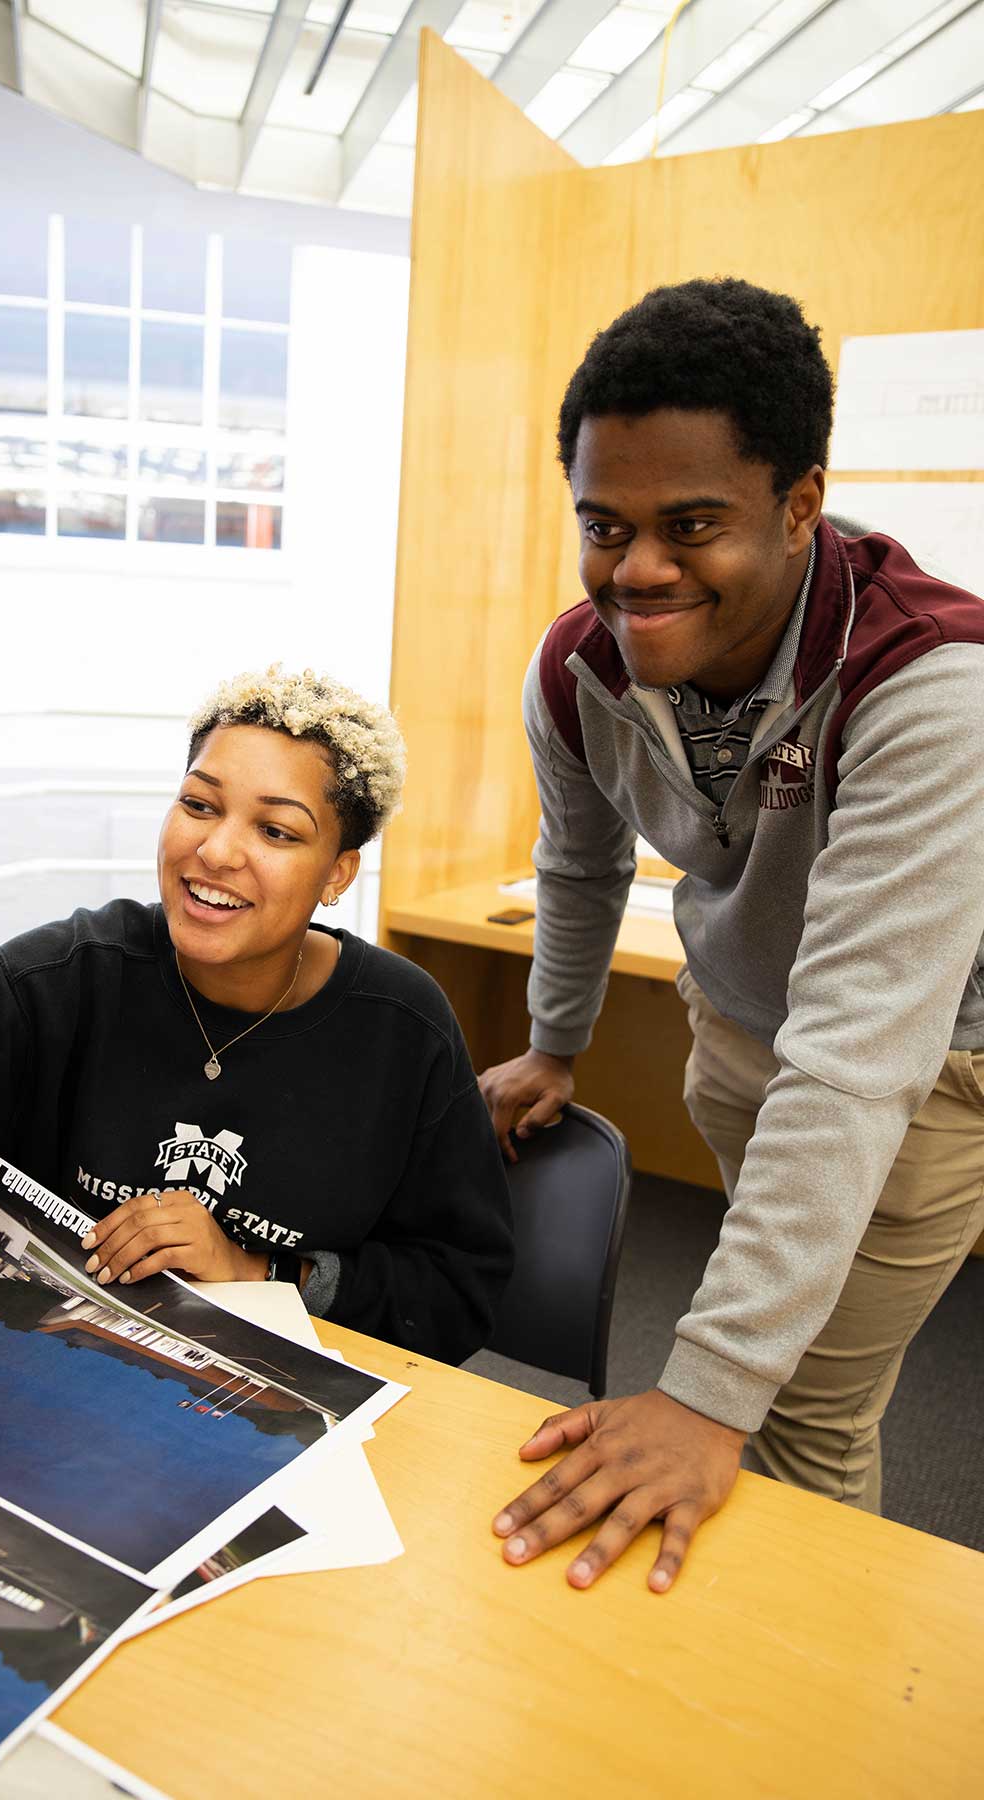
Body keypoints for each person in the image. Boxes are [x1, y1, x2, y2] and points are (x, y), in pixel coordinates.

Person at [479, 277, 984, 1592]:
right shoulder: (576, 668)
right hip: (741, 1029)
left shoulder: (931, 685)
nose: (636, 568)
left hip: (925, 1077)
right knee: (749, 1392)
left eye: (690, 525)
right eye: (606, 525)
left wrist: (705, 1390)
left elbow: (862, 1057)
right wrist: (554, 1046)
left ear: (800, 504)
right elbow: (577, 866)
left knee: (798, 1421)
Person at [0, 666, 513, 1365]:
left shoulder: (403, 1029)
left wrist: (254, 1270)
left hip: (287, 1405)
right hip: (54, 1371)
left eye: (277, 832)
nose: (216, 850)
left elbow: (456, 1289)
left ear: (337, 873)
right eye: (199, 805)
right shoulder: (64, 980)